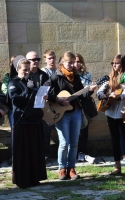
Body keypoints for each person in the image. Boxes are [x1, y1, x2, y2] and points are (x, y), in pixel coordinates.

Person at [43, 51, 97, 180]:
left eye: (73, 62)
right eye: (70, 62)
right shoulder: (57, 76)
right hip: (61, 115)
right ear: (63, 62)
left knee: (74, 142)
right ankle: (62, 168)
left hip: (76, 112)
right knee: (64, 142)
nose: (72, 65)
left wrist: (89, 91)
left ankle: (71, 168)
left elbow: (80, 96)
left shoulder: (76, 76)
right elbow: (44, 90)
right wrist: (57, 99)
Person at [8, 55, 47, 188]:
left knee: (34, 151)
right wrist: (28, 90)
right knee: (23, 152)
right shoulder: (13, 83)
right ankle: (23, 180)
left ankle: (35, 177)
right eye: (24, 70)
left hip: (34, 120)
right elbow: (15, 100)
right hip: (22, 121)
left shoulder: (30, 81)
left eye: (28, 70)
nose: (26, 72)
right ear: (18, 70)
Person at [97, 54, 125, 177]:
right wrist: (102, 95)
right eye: (113, 63)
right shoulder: (111, 76)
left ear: (123, 64)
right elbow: (100, 90)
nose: (114, 65)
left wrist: (118, 96)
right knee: (114, 140)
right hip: (110, 112)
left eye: (117, 63)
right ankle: (117, 167)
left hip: (123, 112)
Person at [26, 51, 51, 164]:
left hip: (43, 107)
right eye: (33, 60)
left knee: (45, 131)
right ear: (27, 61)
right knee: (31, 133)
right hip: (29, 109)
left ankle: (45, 155)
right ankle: (32, 156)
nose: (36, 61)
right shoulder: (25, 75)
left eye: (38, 59)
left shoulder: (44, 75)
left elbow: (49, 89)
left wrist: (48, 95)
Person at [74, 53, 95, 164]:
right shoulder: (69, 74)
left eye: (79, 61)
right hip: (71, 106)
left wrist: (91, 90)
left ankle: (82, 152)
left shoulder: (86, 74)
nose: (77, 64)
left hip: (84, 106)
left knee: (83, 130)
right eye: (75, 61)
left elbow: (87, 92)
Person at [1, 55, 17, 165]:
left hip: (25, 110)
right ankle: (14, 157)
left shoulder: (27, 74)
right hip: (12, 109)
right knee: (14, 133)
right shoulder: (8, 77)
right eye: (13, 62)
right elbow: (5, 92)